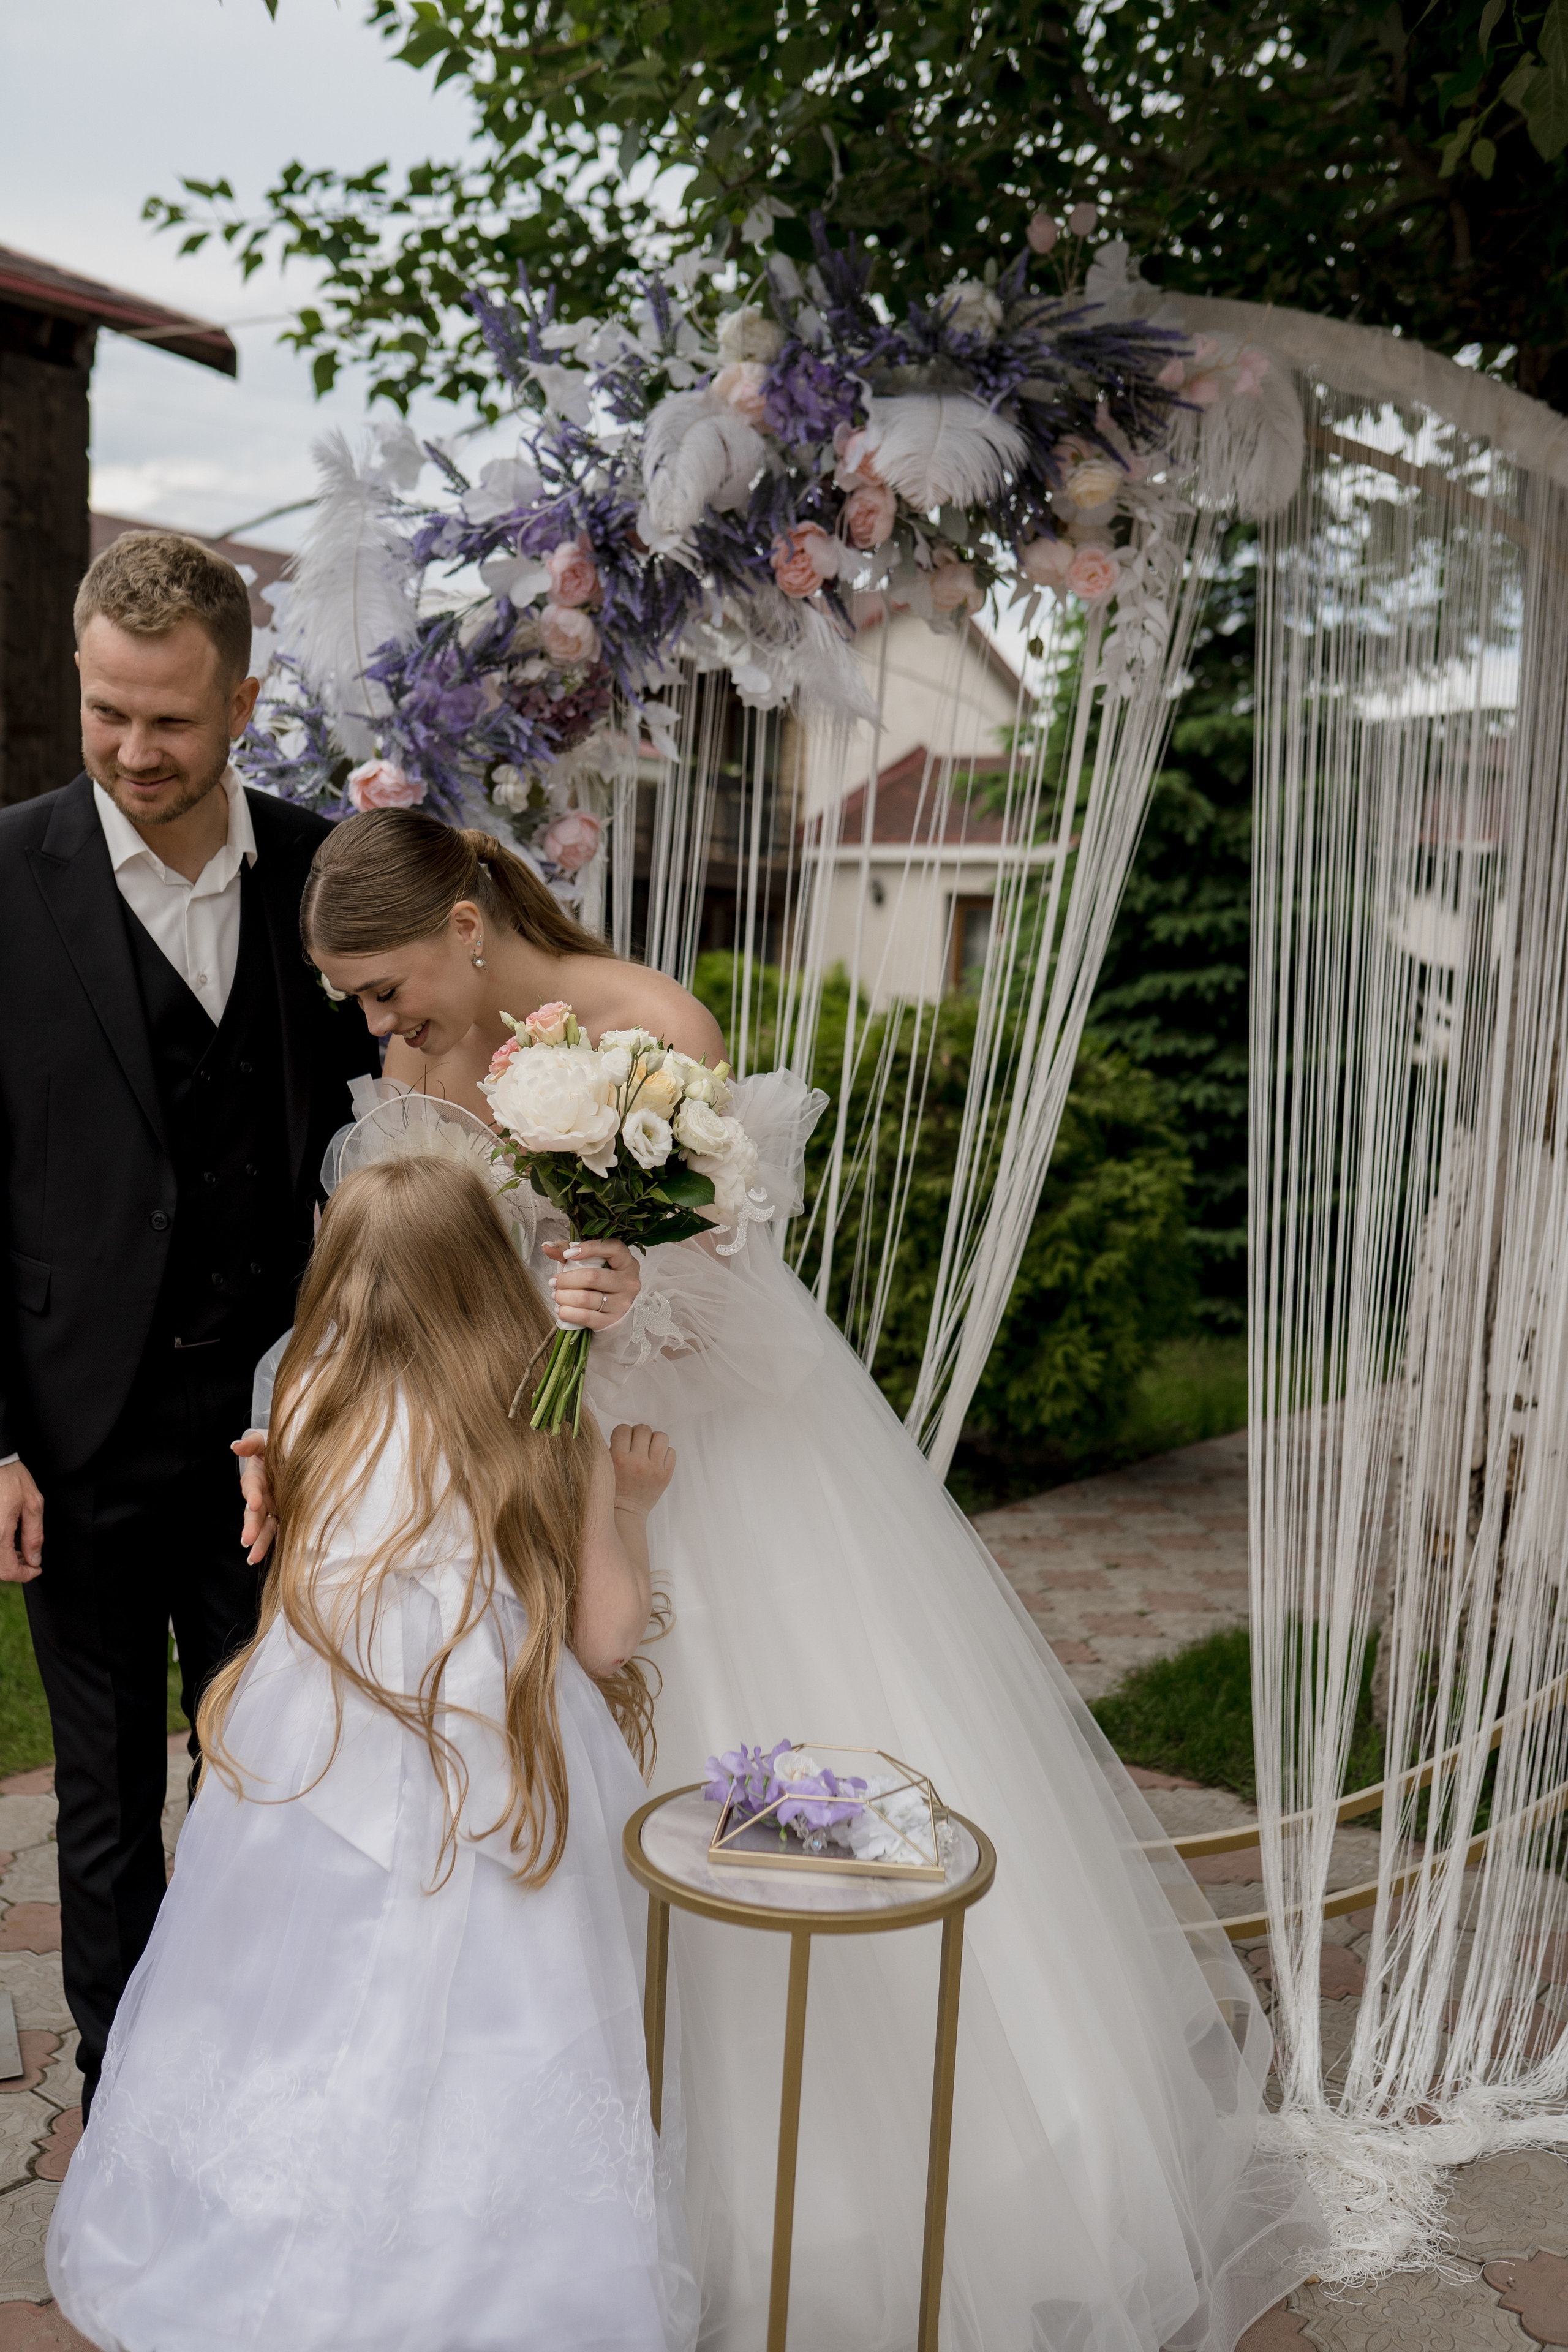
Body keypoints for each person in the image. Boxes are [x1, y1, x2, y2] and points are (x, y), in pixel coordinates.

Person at [262, 810, 1324, 2351]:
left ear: (466, 921)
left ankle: (807, 2223)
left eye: (383, 987)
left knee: (731, 1803)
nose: (376, 1027)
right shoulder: (416, 1080)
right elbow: (385, 1304)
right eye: (353, 1001)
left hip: (690, 1473)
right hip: (509, 1497)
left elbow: (743, 1306)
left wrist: (633, 1289)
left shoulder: (654, 1028)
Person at [47, 1154, 696, 2352]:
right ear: (492, 1281)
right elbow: (602, 1641)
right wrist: (631, 1507)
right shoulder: (550, 1417)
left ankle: (263, 2233)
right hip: (490, 1758)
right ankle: (482, 2267)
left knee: (293, 1993)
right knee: (490, 2010)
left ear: (337, 1273)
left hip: (322, 1745)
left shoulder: (301, 1405)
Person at [0, 531, 378, 2113]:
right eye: (105, 713)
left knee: (272, 1770)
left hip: (278, 1438)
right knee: (101, 1794)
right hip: (69, 1430)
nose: (134, 752)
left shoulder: (322, 875)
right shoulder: (2, 878)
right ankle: (127, 2091)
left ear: (241, 700)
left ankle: (263, 2082)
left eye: (168, 719)